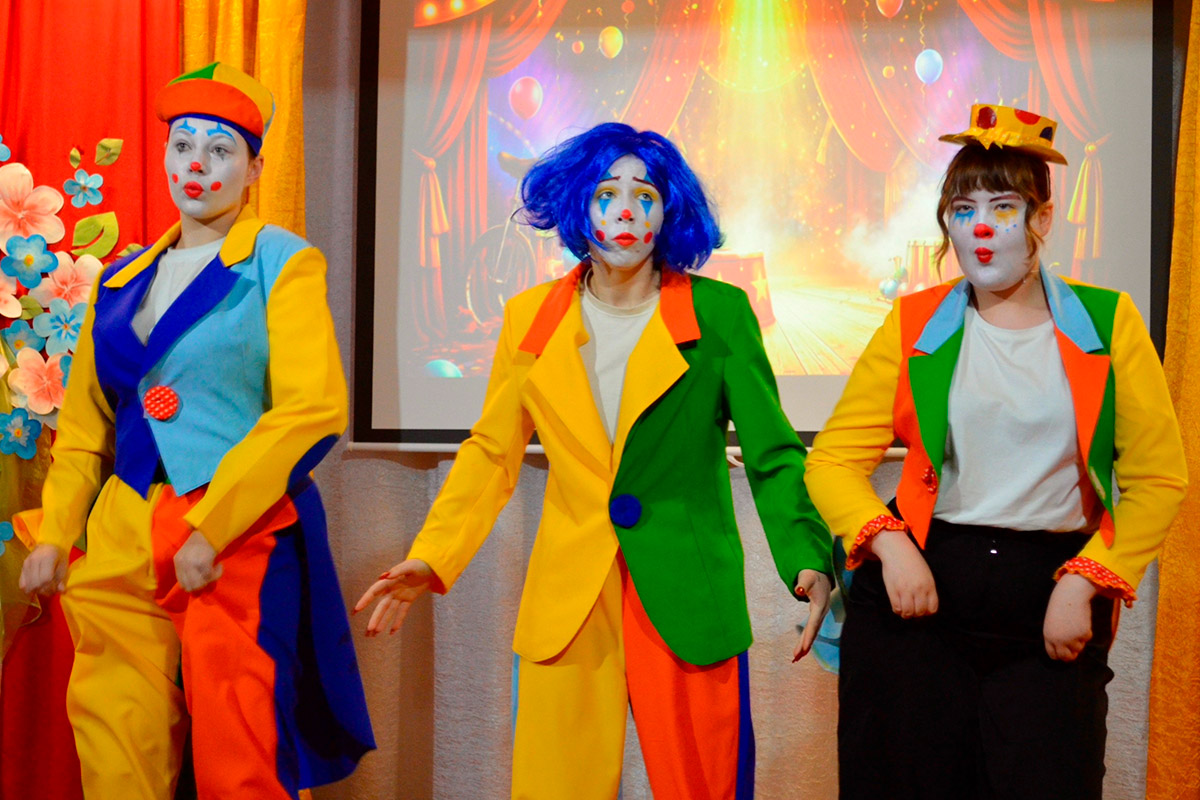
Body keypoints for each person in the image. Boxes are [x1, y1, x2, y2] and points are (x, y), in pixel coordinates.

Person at [356, 122, 833, 799]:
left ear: (670, 212)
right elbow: (491, 453)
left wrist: (806, 557)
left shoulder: (720, 314)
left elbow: (773, 453)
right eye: (607, 193)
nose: (626, 211)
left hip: (688, 595)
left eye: (646, 195)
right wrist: (433, 555)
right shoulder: (529, 319)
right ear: (578, 204)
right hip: (568, 600)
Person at [804, 104, 1188, 800]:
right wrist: (891, 546)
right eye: (963, 208)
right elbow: (831, 459)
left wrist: (1085, 581)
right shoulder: (912, 323)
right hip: (920, 595)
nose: (979, 228)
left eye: (1003, 207)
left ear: (1043, 218)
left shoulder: (1110, 322)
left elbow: (1158, 476)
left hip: (1050, 593)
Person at [18, 62, 374, 799]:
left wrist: (212, 527)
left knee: (241, 751)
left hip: (234, 531)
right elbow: (86, 428)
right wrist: (56, 534)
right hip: (122, 527)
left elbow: (312, 409)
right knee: (115, 748)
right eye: (183, 145)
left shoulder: (282, 262)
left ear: (255, 169)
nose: (198, 165)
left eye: (220, 149)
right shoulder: (121, 279)